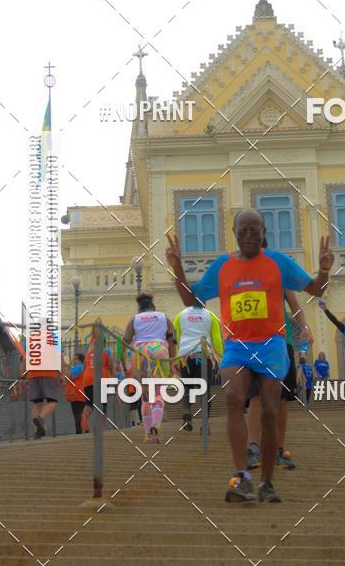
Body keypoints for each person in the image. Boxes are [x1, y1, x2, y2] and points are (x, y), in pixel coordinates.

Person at [165, 208, 333, 503]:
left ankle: (267, 481)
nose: (249, 236)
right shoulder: (223, 266)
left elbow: (317, 290)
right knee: (233, 399)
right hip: (237, 346)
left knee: (269, 411)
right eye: (243, 230)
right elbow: (191, 299)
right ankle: (242, 476)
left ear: (264, 233)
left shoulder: (279, 262)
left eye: (255, 230)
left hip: (271, 346)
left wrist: (325, 269)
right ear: (235, 233)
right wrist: (178, 268)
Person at [245, 286, 312, 471]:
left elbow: (295, 305)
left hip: (281, 341)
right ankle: (253, 448)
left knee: (281, 397)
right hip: (255, 340)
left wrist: (304, 326)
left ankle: (278, 451)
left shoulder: (280, 272)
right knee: (256, 394)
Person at [121, 293, 177, 443]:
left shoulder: (134, 319)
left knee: (145, 395)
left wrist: (123, 363)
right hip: (159, 350)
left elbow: (125, 341)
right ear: (153, 307)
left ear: (140, 308)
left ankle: (148, 433)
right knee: (158, 392)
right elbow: (172, 341)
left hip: (140, 353)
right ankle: (156, 426)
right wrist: (172, 361)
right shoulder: (165, 318)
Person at [173, 302, 223, 432]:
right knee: (204, 390)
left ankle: (187, 411)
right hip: (203, 355)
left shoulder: (180, 315)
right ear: (204, 302)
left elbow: (177, 337)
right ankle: (204, 424)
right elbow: (216, 340)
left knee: (187, 387)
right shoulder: (210, 316)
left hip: (185, 356)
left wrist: (178, 355)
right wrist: (220, 358)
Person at [82, 323, 115, 431]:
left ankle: (85, 425)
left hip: (87, 380)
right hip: (101, 380)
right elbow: (111, 367)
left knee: (89, 404)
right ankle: (101, 428)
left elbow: (84, 367)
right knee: (103, 405)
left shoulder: (88, 353)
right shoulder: (105, 353)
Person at [64, 353, 86, 434]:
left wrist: (65, 369)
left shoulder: (79, 367)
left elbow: (70, 377)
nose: (74, 360)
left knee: (77, 414)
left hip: (77, 394)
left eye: (75, 359)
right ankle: (84, 429)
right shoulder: (83, 367)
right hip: (82, 393)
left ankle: (79, 431)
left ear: (80, 360)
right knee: (81, 413)